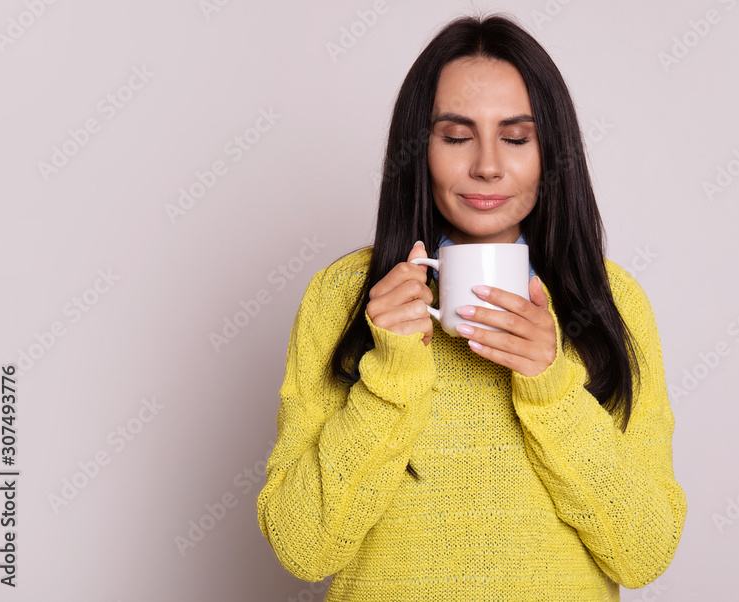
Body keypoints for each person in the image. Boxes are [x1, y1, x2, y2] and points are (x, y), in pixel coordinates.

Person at [256, 12, 686, 601]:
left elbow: (643, 553)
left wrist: (552, 388)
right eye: (456, 137)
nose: (487, 164)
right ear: (418, 150)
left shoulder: (608, 300)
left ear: (551, 152)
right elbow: (304, 547)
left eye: (515, 138)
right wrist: (391, 374)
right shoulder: (344, 296)